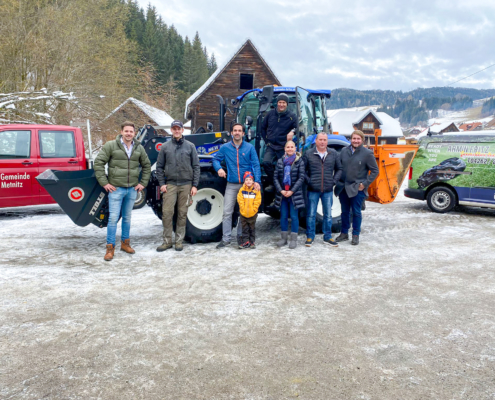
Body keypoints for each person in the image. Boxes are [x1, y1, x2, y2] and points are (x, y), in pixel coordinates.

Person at [94, 121, 151, 261]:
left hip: (131, 190)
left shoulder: (139, 147)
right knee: (113, 219)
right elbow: (99, 163)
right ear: (121, 132)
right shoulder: (111, 146)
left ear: (134, 133)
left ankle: (125, 244)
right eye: (126, 131)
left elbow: (147, 165)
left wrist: (142, 183)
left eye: (131, 131)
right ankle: (110, 248)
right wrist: (104, 183)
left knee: (127, 218)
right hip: (116, 189)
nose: (128, 134)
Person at [213, 123, 261, 248]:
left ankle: (242, 238)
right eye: (235, 130)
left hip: (247, 186)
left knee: (244, 212)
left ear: (243, 133)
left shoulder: (249, 148)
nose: (237, 132)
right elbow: (215, 159)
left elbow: (256, 164)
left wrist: (257, 181)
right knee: (227, 212)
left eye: (240, 130)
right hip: (231, 184)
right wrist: (219, 169)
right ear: (232, 133)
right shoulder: (225, 148)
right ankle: (226, 239)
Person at [155, 120, 200, 252]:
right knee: (167, 213)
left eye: (178, 128)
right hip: (170, 185)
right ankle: (167, 241)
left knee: (182, 213)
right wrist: (162, 184)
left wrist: (194, 185)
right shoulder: (165, 147)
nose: (176, 131)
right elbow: (159, 167)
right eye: (174, 129)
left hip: (186, 185)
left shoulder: (190, 146)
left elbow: (196, 166)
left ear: (182, 130)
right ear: (171, 130)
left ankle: (179, 241)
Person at [335, 130, 379, 245]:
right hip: (344, 187)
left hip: (357, 188)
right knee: (344, 212)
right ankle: (344, 233)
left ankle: (355, 234)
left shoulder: (367, 153)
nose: (355, 141)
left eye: (358, 139)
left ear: (362, 140)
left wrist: (364, 184)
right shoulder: (344, 151)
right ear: (350, 139)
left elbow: (375, 171)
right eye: (354, 138)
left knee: (356, 212)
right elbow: (338, 167)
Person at [304, 132, 342, 247]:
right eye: (320, 139)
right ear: (316, 141)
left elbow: (339, 169)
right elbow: (303, 170)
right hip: (313, 189)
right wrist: (309, 181)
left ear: (327, 142)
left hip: (327, 189)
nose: (322, 142)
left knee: (328, 214)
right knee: (310, 214)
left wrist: (333, 181)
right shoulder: (308, 154)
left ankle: (328, 236)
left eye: (324, 140)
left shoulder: (333, 153)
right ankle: (310, 236)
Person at [261, 93, 298, 190]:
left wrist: (292, 131)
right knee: (266, 163)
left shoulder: (292, 116)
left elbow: (298, 128)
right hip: (271, 145)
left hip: (283, 146)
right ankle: (274, 183)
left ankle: (282, 186)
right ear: (277, 103)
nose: (281, 104)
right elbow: (263, 128)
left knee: (281, 166)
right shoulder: (270, 114)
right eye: (280, 102)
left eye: (284, 102)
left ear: (287, 104)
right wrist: (266, 141)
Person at [273, 140, 305, 249]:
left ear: (295, 149)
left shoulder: (299, 161)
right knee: (283, 216)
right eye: (288, 147)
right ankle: (283, 238)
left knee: (294, 216)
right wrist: (281, 190)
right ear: (285, 149)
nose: (290, 149)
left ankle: (294, 239)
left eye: (292, 147)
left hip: (294, 194)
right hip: (283, 194)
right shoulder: (280, 161)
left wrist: (292, 191)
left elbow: (301, 178)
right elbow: (275, 177)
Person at [236, 171, 261, 249]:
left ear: (253, 181)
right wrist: (242, 208)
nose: (248, 181)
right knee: (245, 229)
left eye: (250, 179)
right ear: (244, 181)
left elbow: (258, 200)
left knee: (252, 228)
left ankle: (252, 242)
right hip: (243, 213)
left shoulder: (256, 190)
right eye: (246, 179)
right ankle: (245, 241)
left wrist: (254, 209)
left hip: (252, 213)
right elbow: (240, 199)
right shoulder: (242, 190)